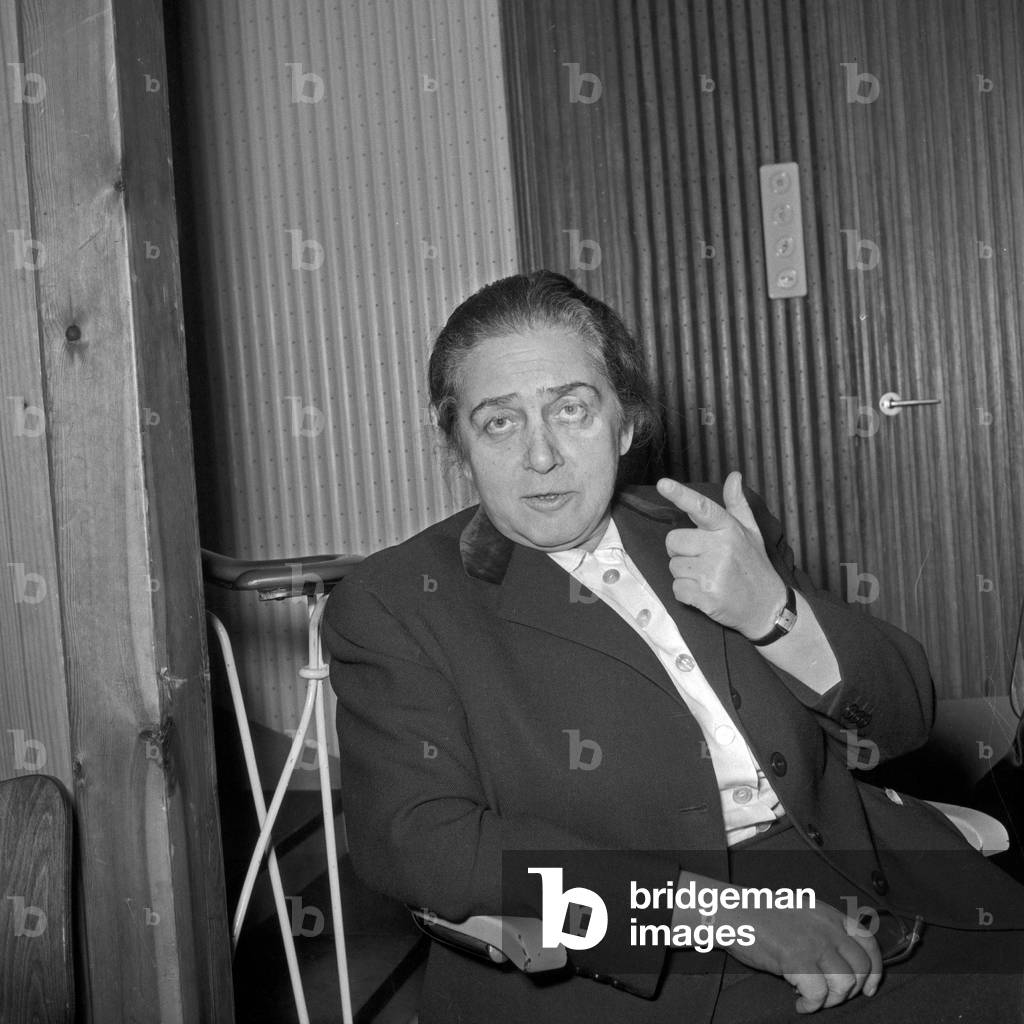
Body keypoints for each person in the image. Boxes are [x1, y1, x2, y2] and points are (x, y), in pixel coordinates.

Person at [324, 270, 1024, 1023]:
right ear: (457, 447)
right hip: (660, 961)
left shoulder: (707, 525)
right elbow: (418, 842)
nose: (542, 456)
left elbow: (900, 722)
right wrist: (720, 914)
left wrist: (774, 613)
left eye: (572, 410)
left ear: (626, 423)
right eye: (499, 423)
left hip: (883, 883)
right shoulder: (398, 604)